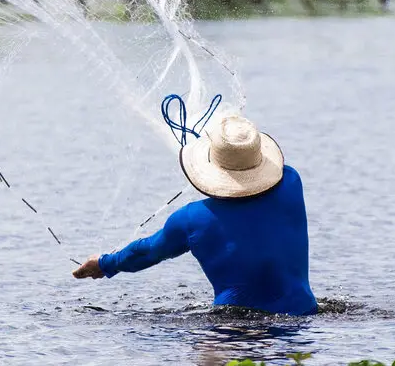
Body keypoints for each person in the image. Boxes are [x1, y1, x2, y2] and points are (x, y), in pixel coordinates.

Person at [72, 113, 317, 315]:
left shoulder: (191, 219)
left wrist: (104, 264)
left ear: (213, 168)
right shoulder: (292, 183)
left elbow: (146, 251)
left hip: (232, 332)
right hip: (302, 319)